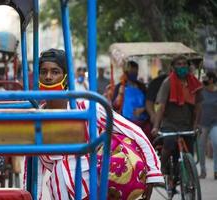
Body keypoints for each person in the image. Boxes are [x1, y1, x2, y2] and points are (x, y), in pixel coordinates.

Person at [37, 49, 163, 200]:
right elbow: (34, 170)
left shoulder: (86, 108)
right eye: (43, 72)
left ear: (65, 76)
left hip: (94, 188)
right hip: (59, 191)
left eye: (55, 71)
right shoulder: (36, 118)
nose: (48, 77)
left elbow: (135, 132)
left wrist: (152, 174)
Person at [152, 55, 203, 183]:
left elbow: (198, 107)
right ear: (173, 67)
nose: (182, 66)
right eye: (179, 64)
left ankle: (188, 178)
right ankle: (162, 168)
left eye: (184, 64)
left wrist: (196, 125)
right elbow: (161, 106)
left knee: (189, 153)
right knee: (168, 144)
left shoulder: (194, 83)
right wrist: (156, 126)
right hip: (170, 124)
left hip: (187, 124)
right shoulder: (168, 82)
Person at [112, 61, 150, 137]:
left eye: (136, 71)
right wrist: (120, 93)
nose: (134, 73)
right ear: (126, 72)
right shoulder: (120, 87)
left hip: (142, 122)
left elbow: (149, 103)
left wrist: (143, 109)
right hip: (126, 122)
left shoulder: (142, 87)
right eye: (132, 71)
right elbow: (115, 106)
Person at [199, 71, 217, 179]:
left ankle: (216, 170)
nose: (204, 79)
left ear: (211, 79)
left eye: (206, 77)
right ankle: (203, 171)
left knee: (216, 143)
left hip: (215, 123)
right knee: (201, 147)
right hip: (202, 123)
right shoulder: (201, 91)